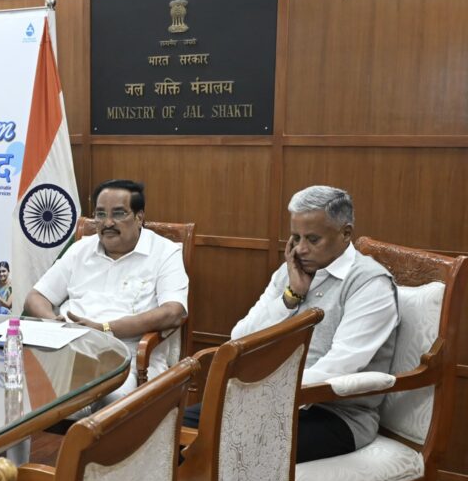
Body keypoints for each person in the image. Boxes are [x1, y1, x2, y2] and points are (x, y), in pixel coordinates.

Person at [184, 185, 398, 462]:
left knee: (222, 449)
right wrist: (291, 296)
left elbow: (339, 367)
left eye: (313, 239)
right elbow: (240, 337)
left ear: (346, 233)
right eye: (295, 238)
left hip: (336, 415)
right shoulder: (292, 271)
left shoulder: (370, 283)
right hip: (271, 400)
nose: (301, 249)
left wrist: (268, 394)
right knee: (174, 434)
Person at [24, 179, 189, 394]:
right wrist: (54, 322)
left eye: (118, 214)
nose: (107, 223)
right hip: (68, 353)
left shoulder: (164, 252)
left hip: (127, 359)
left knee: (109, 400)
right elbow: (36, 297)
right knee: (28, 389)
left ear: (139, 217)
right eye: (100, 214)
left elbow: (174, 312)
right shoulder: (81, 249)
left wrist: (104, 329)